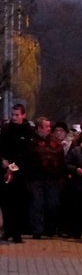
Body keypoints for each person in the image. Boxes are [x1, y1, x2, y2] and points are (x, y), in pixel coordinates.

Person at [27, 117, 66, 239]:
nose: (50, 129)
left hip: (52, 177)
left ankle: (50, 228)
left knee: (52, 203)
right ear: (40, 128)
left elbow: (61, 160)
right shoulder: (32, 141)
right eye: (47, 126)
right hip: (36, 177)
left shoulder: (55, 142)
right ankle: (37, 229)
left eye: (50, 126)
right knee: (37, 203)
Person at [0, 104, 34, 243]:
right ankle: (7, 230)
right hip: (4, 169)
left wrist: (12, 166)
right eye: (12, 114)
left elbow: (27, 152)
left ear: (23, 115)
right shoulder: (6, 129)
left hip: (20, 173)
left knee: (18, 203)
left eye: (17, 115)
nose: (14, 117)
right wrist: (2, 160)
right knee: (5, 202)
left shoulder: (28, 131)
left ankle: (17, 232)